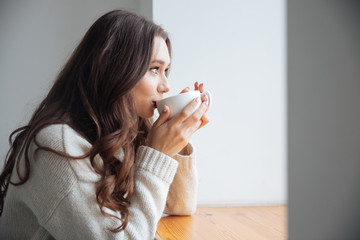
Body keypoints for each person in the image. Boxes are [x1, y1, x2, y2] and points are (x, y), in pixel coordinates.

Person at [0, 9, 209, 239]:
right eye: (154, 69)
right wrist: (159, 154)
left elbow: (181, 206)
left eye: (166, 70)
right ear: (116, 69)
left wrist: (177, 140)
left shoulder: (125, 132)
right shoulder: (57, 146)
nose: (166, 85)